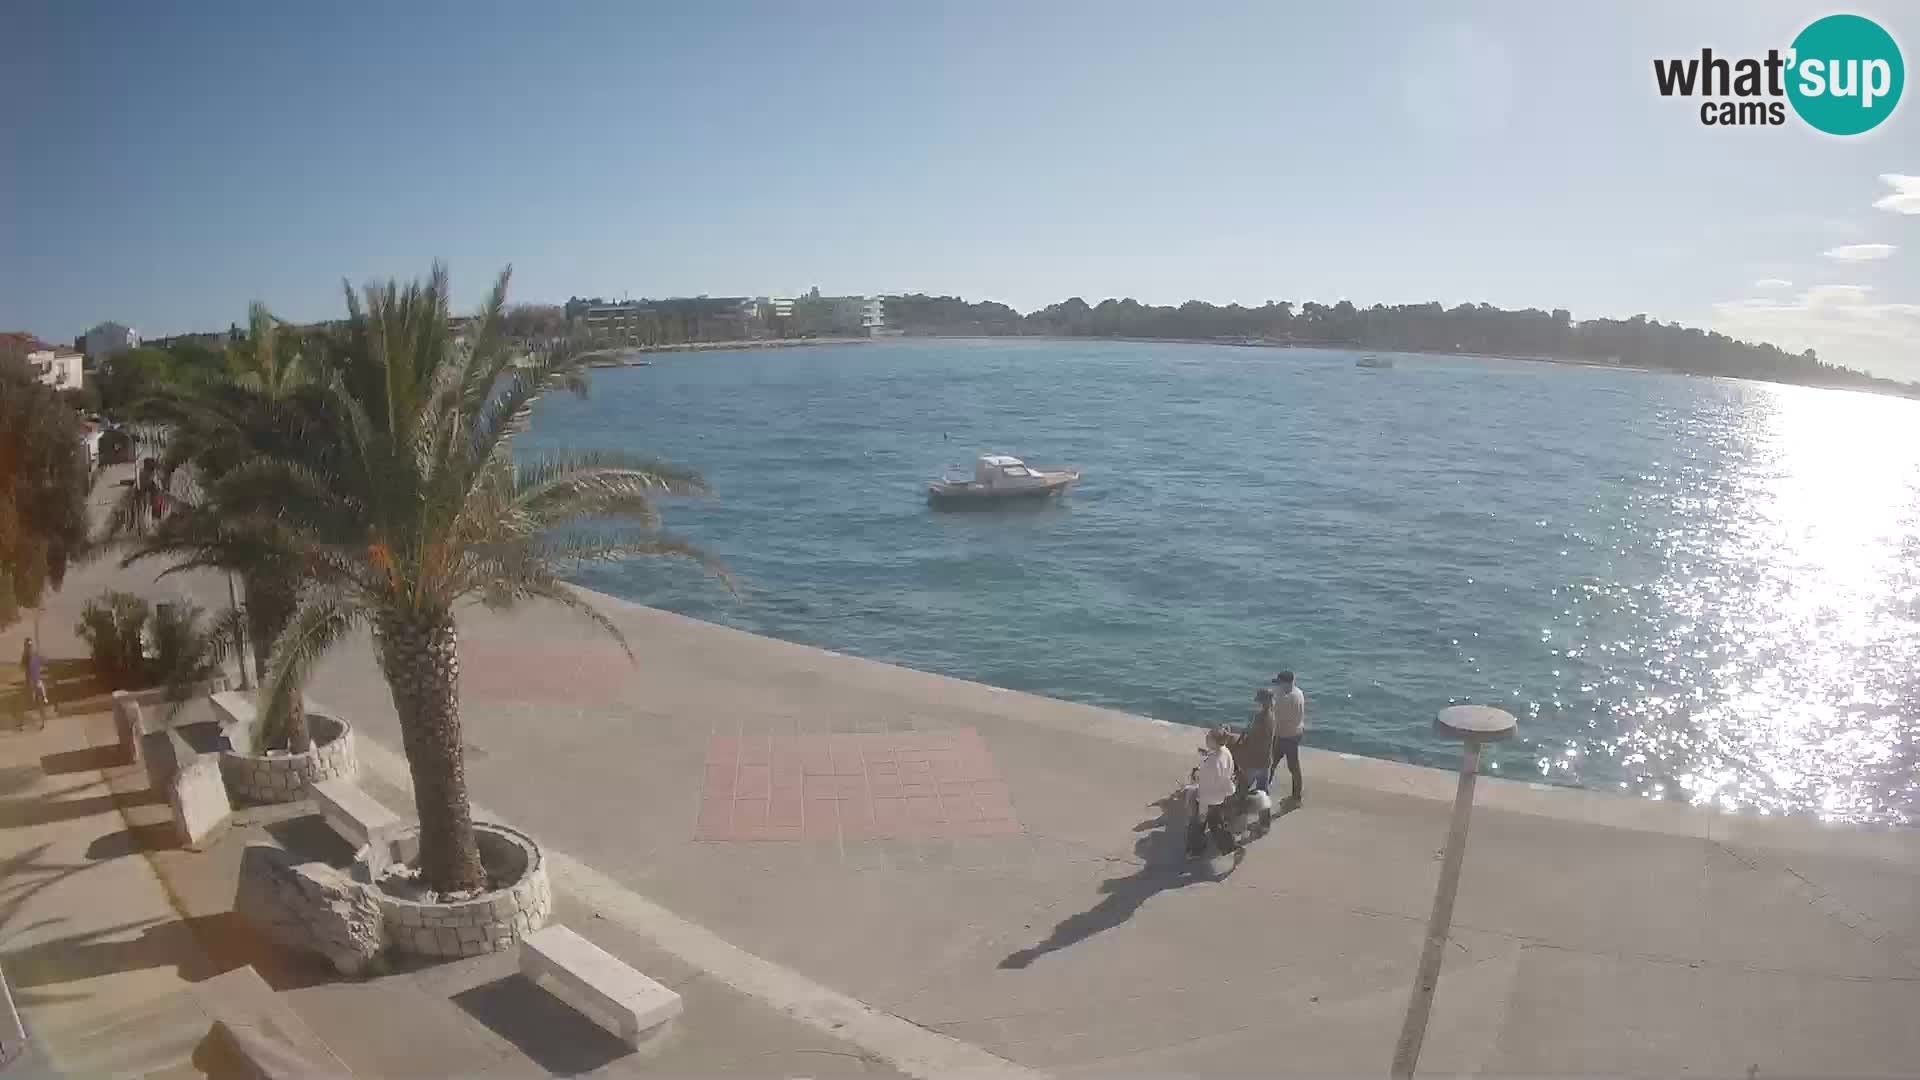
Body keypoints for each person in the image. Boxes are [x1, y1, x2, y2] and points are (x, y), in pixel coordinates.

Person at [1185, 726, 1240, 857]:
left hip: (1209, 798)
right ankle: (1228, 847)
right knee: (1216, 824)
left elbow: (1204, 787)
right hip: (1222, 794)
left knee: (1197, 825)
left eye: (1208, 737)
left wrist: (1201, 805)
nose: (1206, 738)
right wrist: (1207, 754)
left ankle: (1195, 850)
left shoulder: (1211, 764)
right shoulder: (1225, 752)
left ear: (1214, 741)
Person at [1238, 687, 1280, 828]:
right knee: (1263, 793)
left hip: (1253, 762)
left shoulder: (1258, 718)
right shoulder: (1273, 717)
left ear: (1262, 702)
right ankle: (1264, 824)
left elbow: (1249, 739)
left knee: (1242, 790)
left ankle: (1239, 822)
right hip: (1266, 761)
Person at [1270, 670, 1307, 803]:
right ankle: (1296, 796)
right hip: (1296, 733)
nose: (1278, 686)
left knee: (1271, 763)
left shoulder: (1285, 699)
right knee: (1294, 767)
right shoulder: (1298, 693)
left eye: (1280, 683)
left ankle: (1263, 791)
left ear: (1287, 683)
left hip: (1284, 735)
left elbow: (1275, 717)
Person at [21, 637, 49, 729]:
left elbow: (45, 660)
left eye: (30, 645)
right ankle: (23, 722)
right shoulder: (25, 658)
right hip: (29, 684)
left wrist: (41, 658)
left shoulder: (35, 655)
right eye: (27, 646)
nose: (29, 647)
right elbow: (22, 667)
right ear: (25, 647)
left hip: (37, 682)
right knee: (27, 702)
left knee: (39, 702)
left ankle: (42, 722)